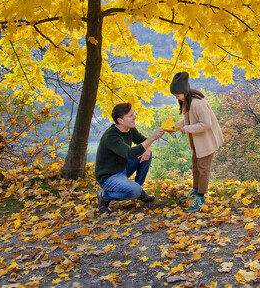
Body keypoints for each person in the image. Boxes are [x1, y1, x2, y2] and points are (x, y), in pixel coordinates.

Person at [94, 103, 166, 214]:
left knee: (146, 154)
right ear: (120, 121)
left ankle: (139, 190)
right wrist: (152, 138)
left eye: (134, 114)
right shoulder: (111, 137)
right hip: (109, 176)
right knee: (134, 191)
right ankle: (104, 196)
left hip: (122, 167)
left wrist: (148, 148)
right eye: (131, 115)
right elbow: (130, 153)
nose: (135, 117)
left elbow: (142, 141)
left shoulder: (130, 129)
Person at [169, 72, 224, 213]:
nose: (176, 97)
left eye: (177, 95)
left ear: (184, 92)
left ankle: (201, 197)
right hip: (196, 142)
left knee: (203, 169)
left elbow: (205, 124)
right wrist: (175, 126)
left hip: (206, 141)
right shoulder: (187, 102)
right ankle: (195, 189)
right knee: (196, 166)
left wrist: (186, 129)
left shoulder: (197, 103)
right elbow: (188, 120)